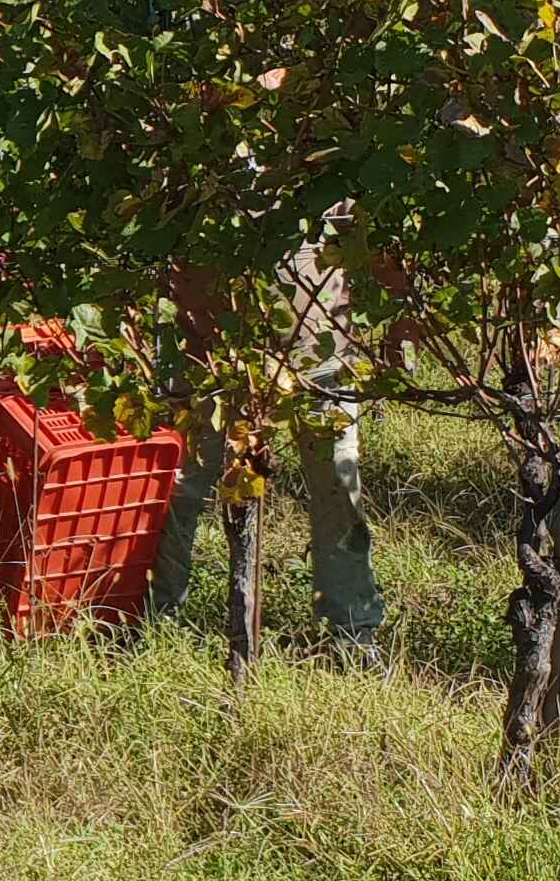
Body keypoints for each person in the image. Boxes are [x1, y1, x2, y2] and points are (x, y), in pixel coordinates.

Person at [149, 237, 385, 653]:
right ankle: (155, 615)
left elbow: (364, 233)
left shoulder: (327, 171)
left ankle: (353, 634)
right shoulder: (202, 171)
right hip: (213, 355)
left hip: (319, 359)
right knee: (181, 488)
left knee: (338, 491)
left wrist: (401, 322)